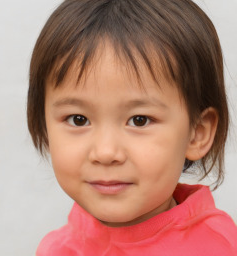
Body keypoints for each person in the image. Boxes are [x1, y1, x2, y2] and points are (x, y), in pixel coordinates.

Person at [27, 0, 237, 255]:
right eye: (78, 119)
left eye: (139, 120)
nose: (105, 152)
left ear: (197, 133)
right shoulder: (56, 248)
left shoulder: (216, 248)